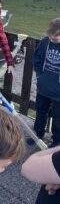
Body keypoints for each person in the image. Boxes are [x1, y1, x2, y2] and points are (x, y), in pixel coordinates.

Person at [33, 18, 60, 148]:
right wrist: (39, 75)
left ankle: (56, 143)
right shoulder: (45, 42)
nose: (52, 39)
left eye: (56, 39)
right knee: (40, 111)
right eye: (50, 37)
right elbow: (36, 57)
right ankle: (37, 136)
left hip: (58, 92)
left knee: (58, 119)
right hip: (43, 88)